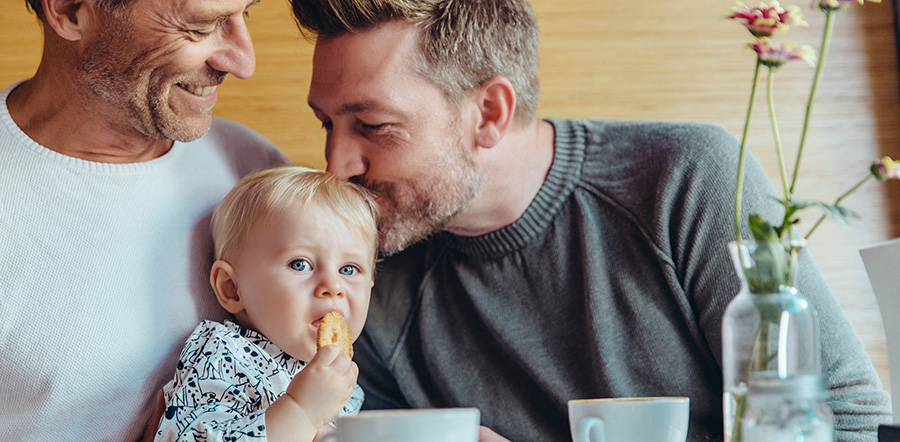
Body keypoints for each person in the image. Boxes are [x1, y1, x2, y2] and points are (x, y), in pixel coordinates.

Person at [289, 0, 892, 441]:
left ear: (489, 113)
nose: (335, 165)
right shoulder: (360, 275)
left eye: (373, 126)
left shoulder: (683, 181)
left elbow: (846, 420)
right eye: (327, 124)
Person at [0, 0, 288, 439]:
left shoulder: (258, 174)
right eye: (200, 26)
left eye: (243, 14)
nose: (242, 61)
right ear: (70, 10)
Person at [154, 166, 377, 441]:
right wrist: (301, 413)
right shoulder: (223, 356)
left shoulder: (347, 383)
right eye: (300, 264)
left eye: (349, 269)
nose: (333, 286)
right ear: (232, 288)